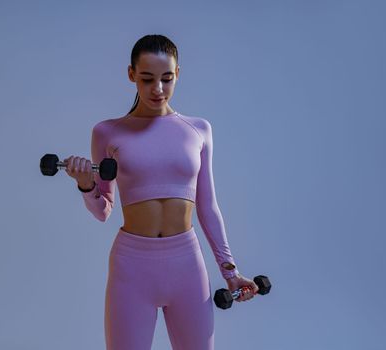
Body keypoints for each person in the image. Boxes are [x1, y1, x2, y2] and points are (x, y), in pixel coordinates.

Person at [64, 34, 259, 350]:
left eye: (167, 79)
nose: (158, 89)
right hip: (132, 267)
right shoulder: (107, 132)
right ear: (131, 75)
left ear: (177, 74)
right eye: (147, 79)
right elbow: (103, 210)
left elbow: (207, 206)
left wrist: (230, 271)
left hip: (186, 265)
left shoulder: (198, 130)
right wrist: (86, 184)